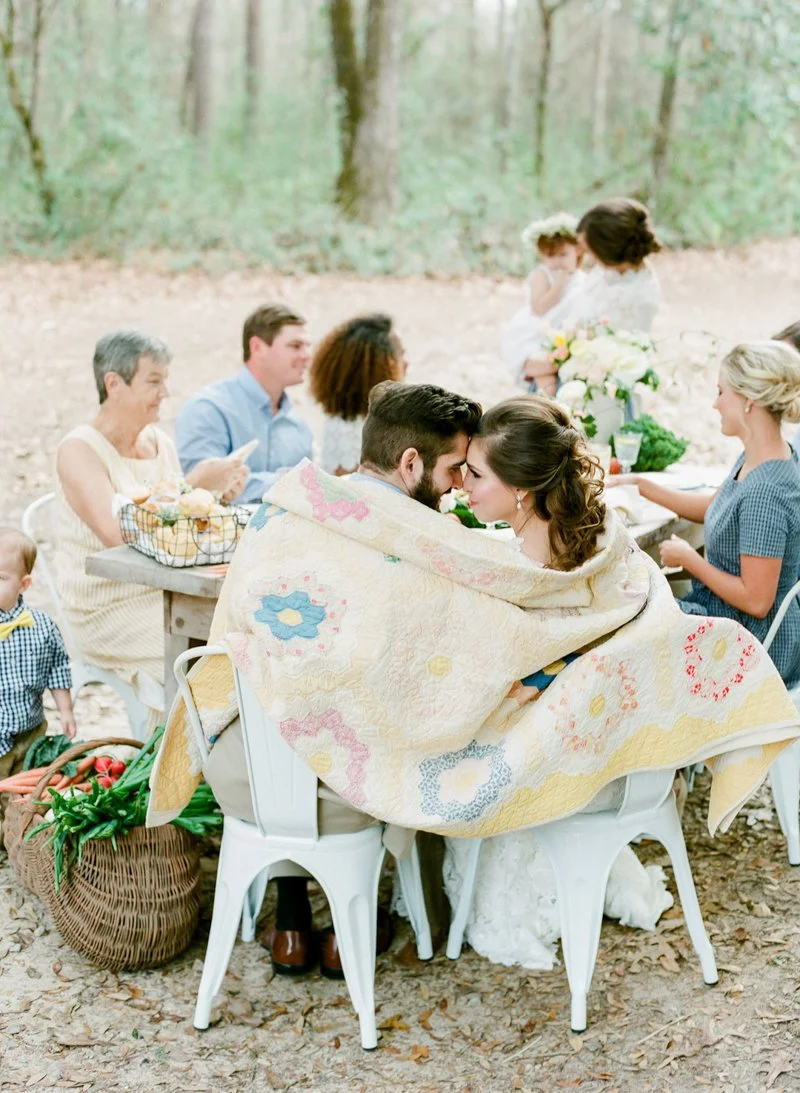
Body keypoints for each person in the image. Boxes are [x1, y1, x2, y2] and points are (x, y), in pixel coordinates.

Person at [203, 381, 482, 977]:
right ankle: (361, 913)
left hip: (242, 771)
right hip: (343, 786)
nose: (460, 484)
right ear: (411, 463)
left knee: (288, 705)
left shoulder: (281, 511)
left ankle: (291, 920)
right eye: (454, 468)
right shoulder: (422, 543)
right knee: (415, 724)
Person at [442, 395, 673, 969]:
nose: (463, 485)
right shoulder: (598, 544)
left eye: (476, 474)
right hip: (620, 751)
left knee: (451, 737)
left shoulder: (528, 574)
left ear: (521, 489)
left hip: (567, 764)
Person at [55, 330, 247, 724]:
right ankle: (178, 747)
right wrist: (193, 486)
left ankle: (212, 746)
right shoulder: (79, 450)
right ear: (113, 383)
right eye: (154, 381)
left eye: (165, 380)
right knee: (213, 649)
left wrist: (214, 499)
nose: (165, 393)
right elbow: (118, 535)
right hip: (107, 606)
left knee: (245, 624)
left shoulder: (159, 441)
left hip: (168, 589)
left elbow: (178, 534)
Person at [612, 341, 800, 689]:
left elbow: (757, 601)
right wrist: (641, 485)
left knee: (619, 627)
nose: (715, 404)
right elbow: (718, 507)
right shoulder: (764, 456)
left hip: (750, 642)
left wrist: (689, 559)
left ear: (748, 400)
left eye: (721, 392)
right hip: (731, 619)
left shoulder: (766, 493)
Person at [522, 197, 662, 396]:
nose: (588, 257)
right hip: (570, 351)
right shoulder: (609, 270)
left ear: (608, 250)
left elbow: (621, 351)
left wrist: (556, 361)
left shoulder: (639, 296)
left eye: (589, 250)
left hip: (598, 380)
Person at [176, 304, 313, 503]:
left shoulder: (299, 427)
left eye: (308, 346)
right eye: (295, 346)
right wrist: (286, 483)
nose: (307, 355)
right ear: (257, 347)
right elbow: (199, 488)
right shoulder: (209, 409)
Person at [0, 528, 75, 805]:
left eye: (0, 578)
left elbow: (58, 669)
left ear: (24, 584)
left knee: (25, 794)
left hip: (31, 731)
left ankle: (18, 826)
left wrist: (66, 711)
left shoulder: (42, 627)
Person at [308, 313, 408, 475]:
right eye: (400, 355)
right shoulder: (349, 429)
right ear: (380, 366)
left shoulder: (371, 421)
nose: (406, 363)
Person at [501, 212, 583, 394]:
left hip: (564, 333)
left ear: (578, 250)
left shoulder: (580, 278)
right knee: (546, 380)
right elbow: (539, 308)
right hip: (537, 332)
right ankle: (544, 401)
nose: (557, 261)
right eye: (551, 256)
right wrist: (559, 285)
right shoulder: (543, 274)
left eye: (563, 254)